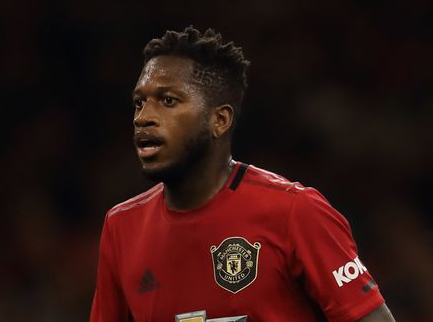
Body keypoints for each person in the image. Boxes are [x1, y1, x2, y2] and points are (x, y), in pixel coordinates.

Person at [90, 27, 395, 321]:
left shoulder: (294, 212)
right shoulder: (121, 227)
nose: (143, 117)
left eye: (168, 100)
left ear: (219, 120)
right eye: (139, 102)